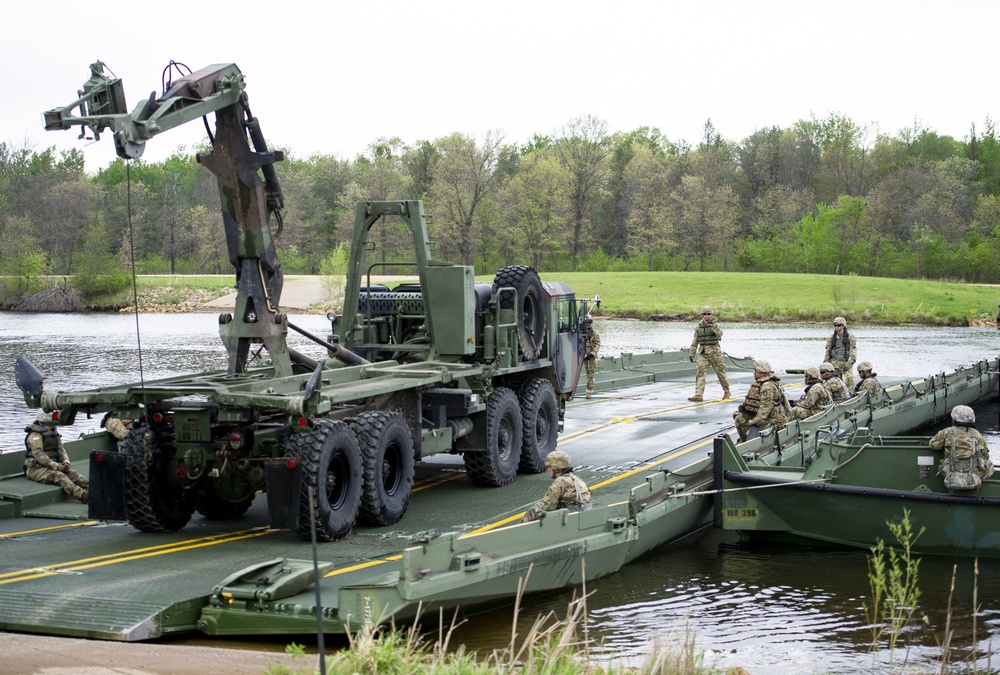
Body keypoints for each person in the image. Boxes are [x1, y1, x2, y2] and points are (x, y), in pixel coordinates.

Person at [23, 411, 89, 504]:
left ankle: (95, 490)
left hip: (52, 465)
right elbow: (39, 455)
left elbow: (61, 449)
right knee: (59, 476)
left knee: (74, 475)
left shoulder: (53, 432)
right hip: (36, 469)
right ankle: (83, 496)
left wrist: (66, 462)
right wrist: (56, 466)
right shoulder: (35, 435)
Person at [929, 405, 994, 489]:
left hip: (950, 473)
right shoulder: (978, 435)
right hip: (974, 475)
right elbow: (985, 455)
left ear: (954, 419)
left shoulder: (947, 432)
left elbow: (933, 445)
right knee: (990, 464)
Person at [521, 450, 592, 522]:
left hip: (568, 520)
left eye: (549, 467)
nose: (548, 470)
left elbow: (547, 507)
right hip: (583, 516)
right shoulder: (576, 479)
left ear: (557, 468)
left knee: (533, 511)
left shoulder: (560, 483)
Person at [733, 360, 791, 442]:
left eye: (755, 371)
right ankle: (745, 439)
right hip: (771, 417)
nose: (753, 373)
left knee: (739, 420)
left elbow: (764, 410)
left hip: (772, 421)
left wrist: (752, 422)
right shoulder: (769, 383)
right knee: (739, 416)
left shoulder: (767, 387)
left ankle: (745, 442)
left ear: (760, 372)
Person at [687, 306, 730, 402]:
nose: (706, 316)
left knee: (720, 372)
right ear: (702, 315)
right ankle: (698, 394)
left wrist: (714, 324)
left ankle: (727, 391)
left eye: (708, 314)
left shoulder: (715, 324)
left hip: (715, 352)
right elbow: (695, 341)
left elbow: (720, 334)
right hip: (703, 352)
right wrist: (692, 353)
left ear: (711, 314)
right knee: (700, 372)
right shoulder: (699, 326)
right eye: (704, 314)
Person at [823, 317, 857, 389]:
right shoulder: (831, 338)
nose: (837, 327)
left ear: (843, 326)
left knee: (849, 379)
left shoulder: (850, 337)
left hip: (846, 363)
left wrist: (849, 363)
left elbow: (853, 352)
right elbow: (828, 352)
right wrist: (825, 365)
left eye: (838, 325)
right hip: (834, 363)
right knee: (833, 382)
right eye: (835, 325)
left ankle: (850, 394)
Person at [583, 318, 601, 399]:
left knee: (591, 374)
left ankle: (589, 391)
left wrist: (592, 353)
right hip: (583, 355)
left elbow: (597, 344)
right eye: (587, 323)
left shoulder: (594, 333)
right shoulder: (582, 333)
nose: (588, 324)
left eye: (589, 323)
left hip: (591, 356)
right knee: (587, 373)